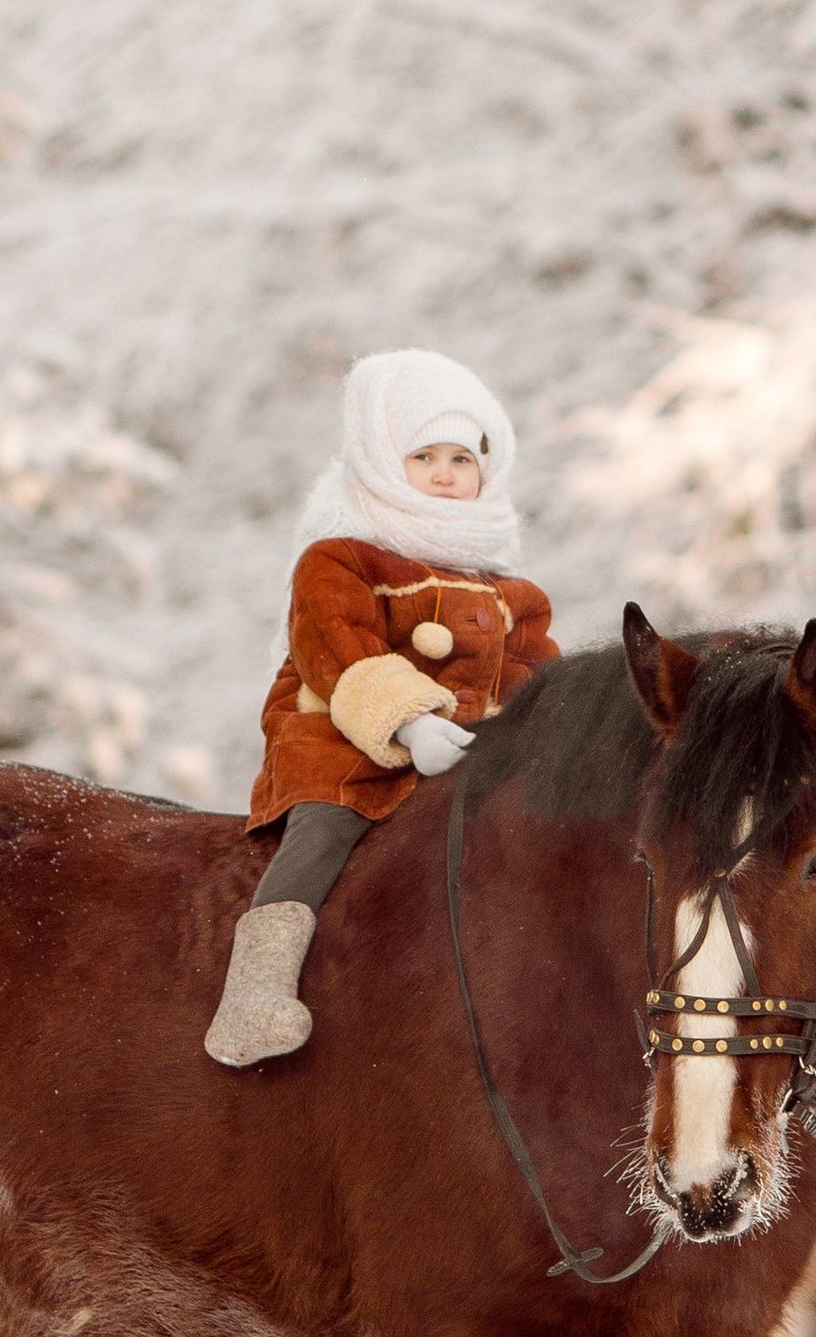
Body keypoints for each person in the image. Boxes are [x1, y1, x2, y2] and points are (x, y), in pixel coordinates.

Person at [204, 349, 557, 1066]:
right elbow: (338, 645)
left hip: (467, 755)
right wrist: (409, 720)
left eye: (461, 457)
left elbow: (531, 674)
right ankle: (254, 992)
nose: (444, 472)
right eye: (423, 455)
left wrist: (536, 738)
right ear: (379, 459)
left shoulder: (509, 589)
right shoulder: (343, 556)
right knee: (329, 827)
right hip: (344, 740)